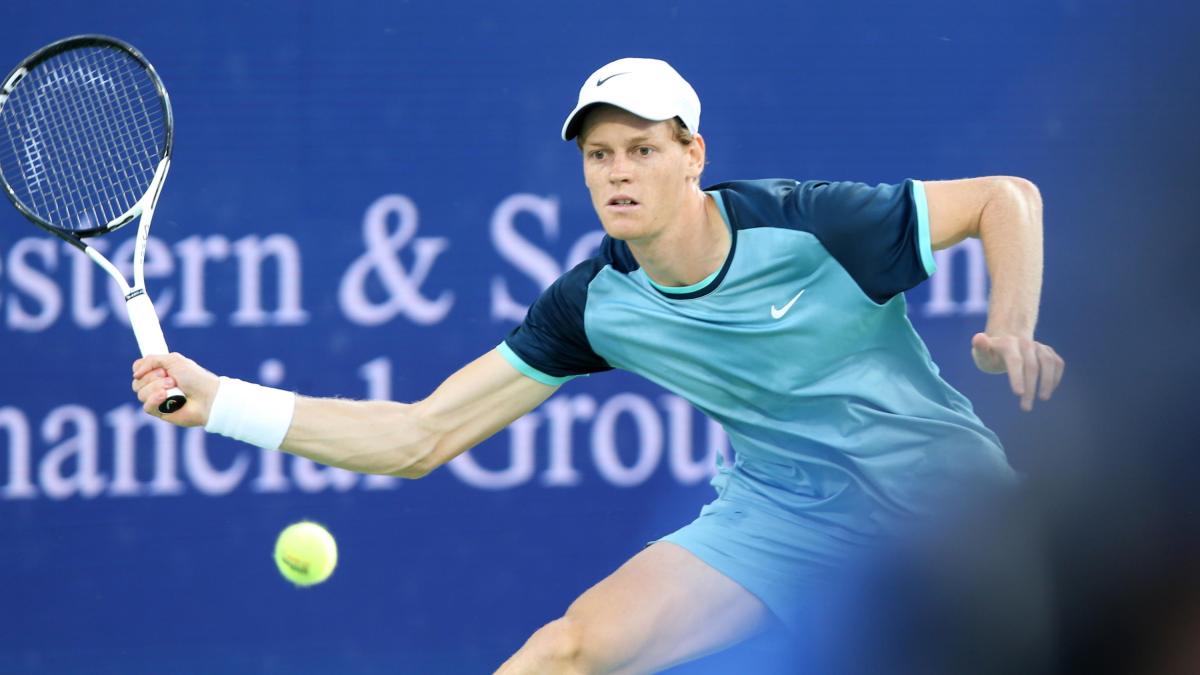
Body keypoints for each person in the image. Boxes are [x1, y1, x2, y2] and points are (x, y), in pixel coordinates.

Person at [132, 57, 1064, 674]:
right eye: (600, 154)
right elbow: (420, 435)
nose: (618, 172)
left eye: (644, 150)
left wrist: (1010, 324)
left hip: (945, 509)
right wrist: (221, 404)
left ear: (691, 155)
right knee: (562, 654)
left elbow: (1005, 199)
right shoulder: (596, 302)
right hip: (780, 516)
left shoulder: (812, 223)